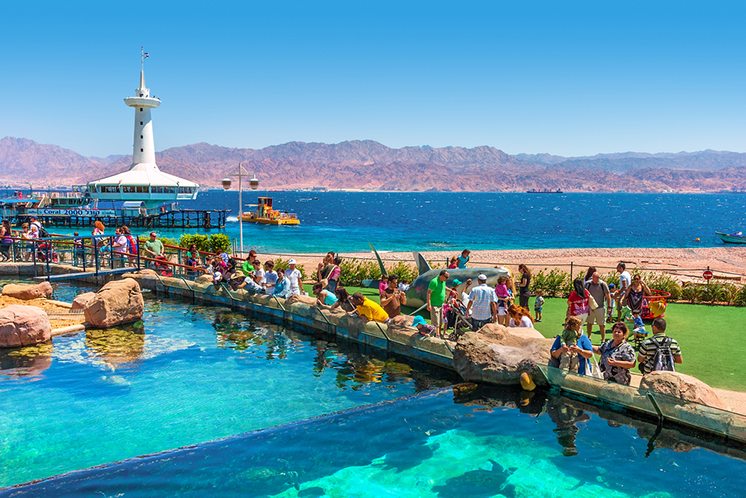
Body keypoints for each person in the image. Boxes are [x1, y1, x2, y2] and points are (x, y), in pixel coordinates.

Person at [585, 272, 612, 343]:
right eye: (595, 277)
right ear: (592, 277)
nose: (597, 279)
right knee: (589, 323)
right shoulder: (588, 284)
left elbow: (608, 295)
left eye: (598, 278)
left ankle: (603, 339)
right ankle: (589, 337)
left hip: (600, 307)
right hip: (590, 307)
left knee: (602, 324)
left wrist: (609, 306)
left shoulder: (603, 284)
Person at [427, 269, 449, 336]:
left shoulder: (443, 281)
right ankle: (436, 336)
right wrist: (429, 304)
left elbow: (443, 287)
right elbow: (428, 293)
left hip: (441, 304)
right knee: (436, 322)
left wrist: (451, 290)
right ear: (441, 276)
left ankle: (437, 333)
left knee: (440, 321)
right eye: (446, 277)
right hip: (434, 305)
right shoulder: (434, 282)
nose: (447, 279)